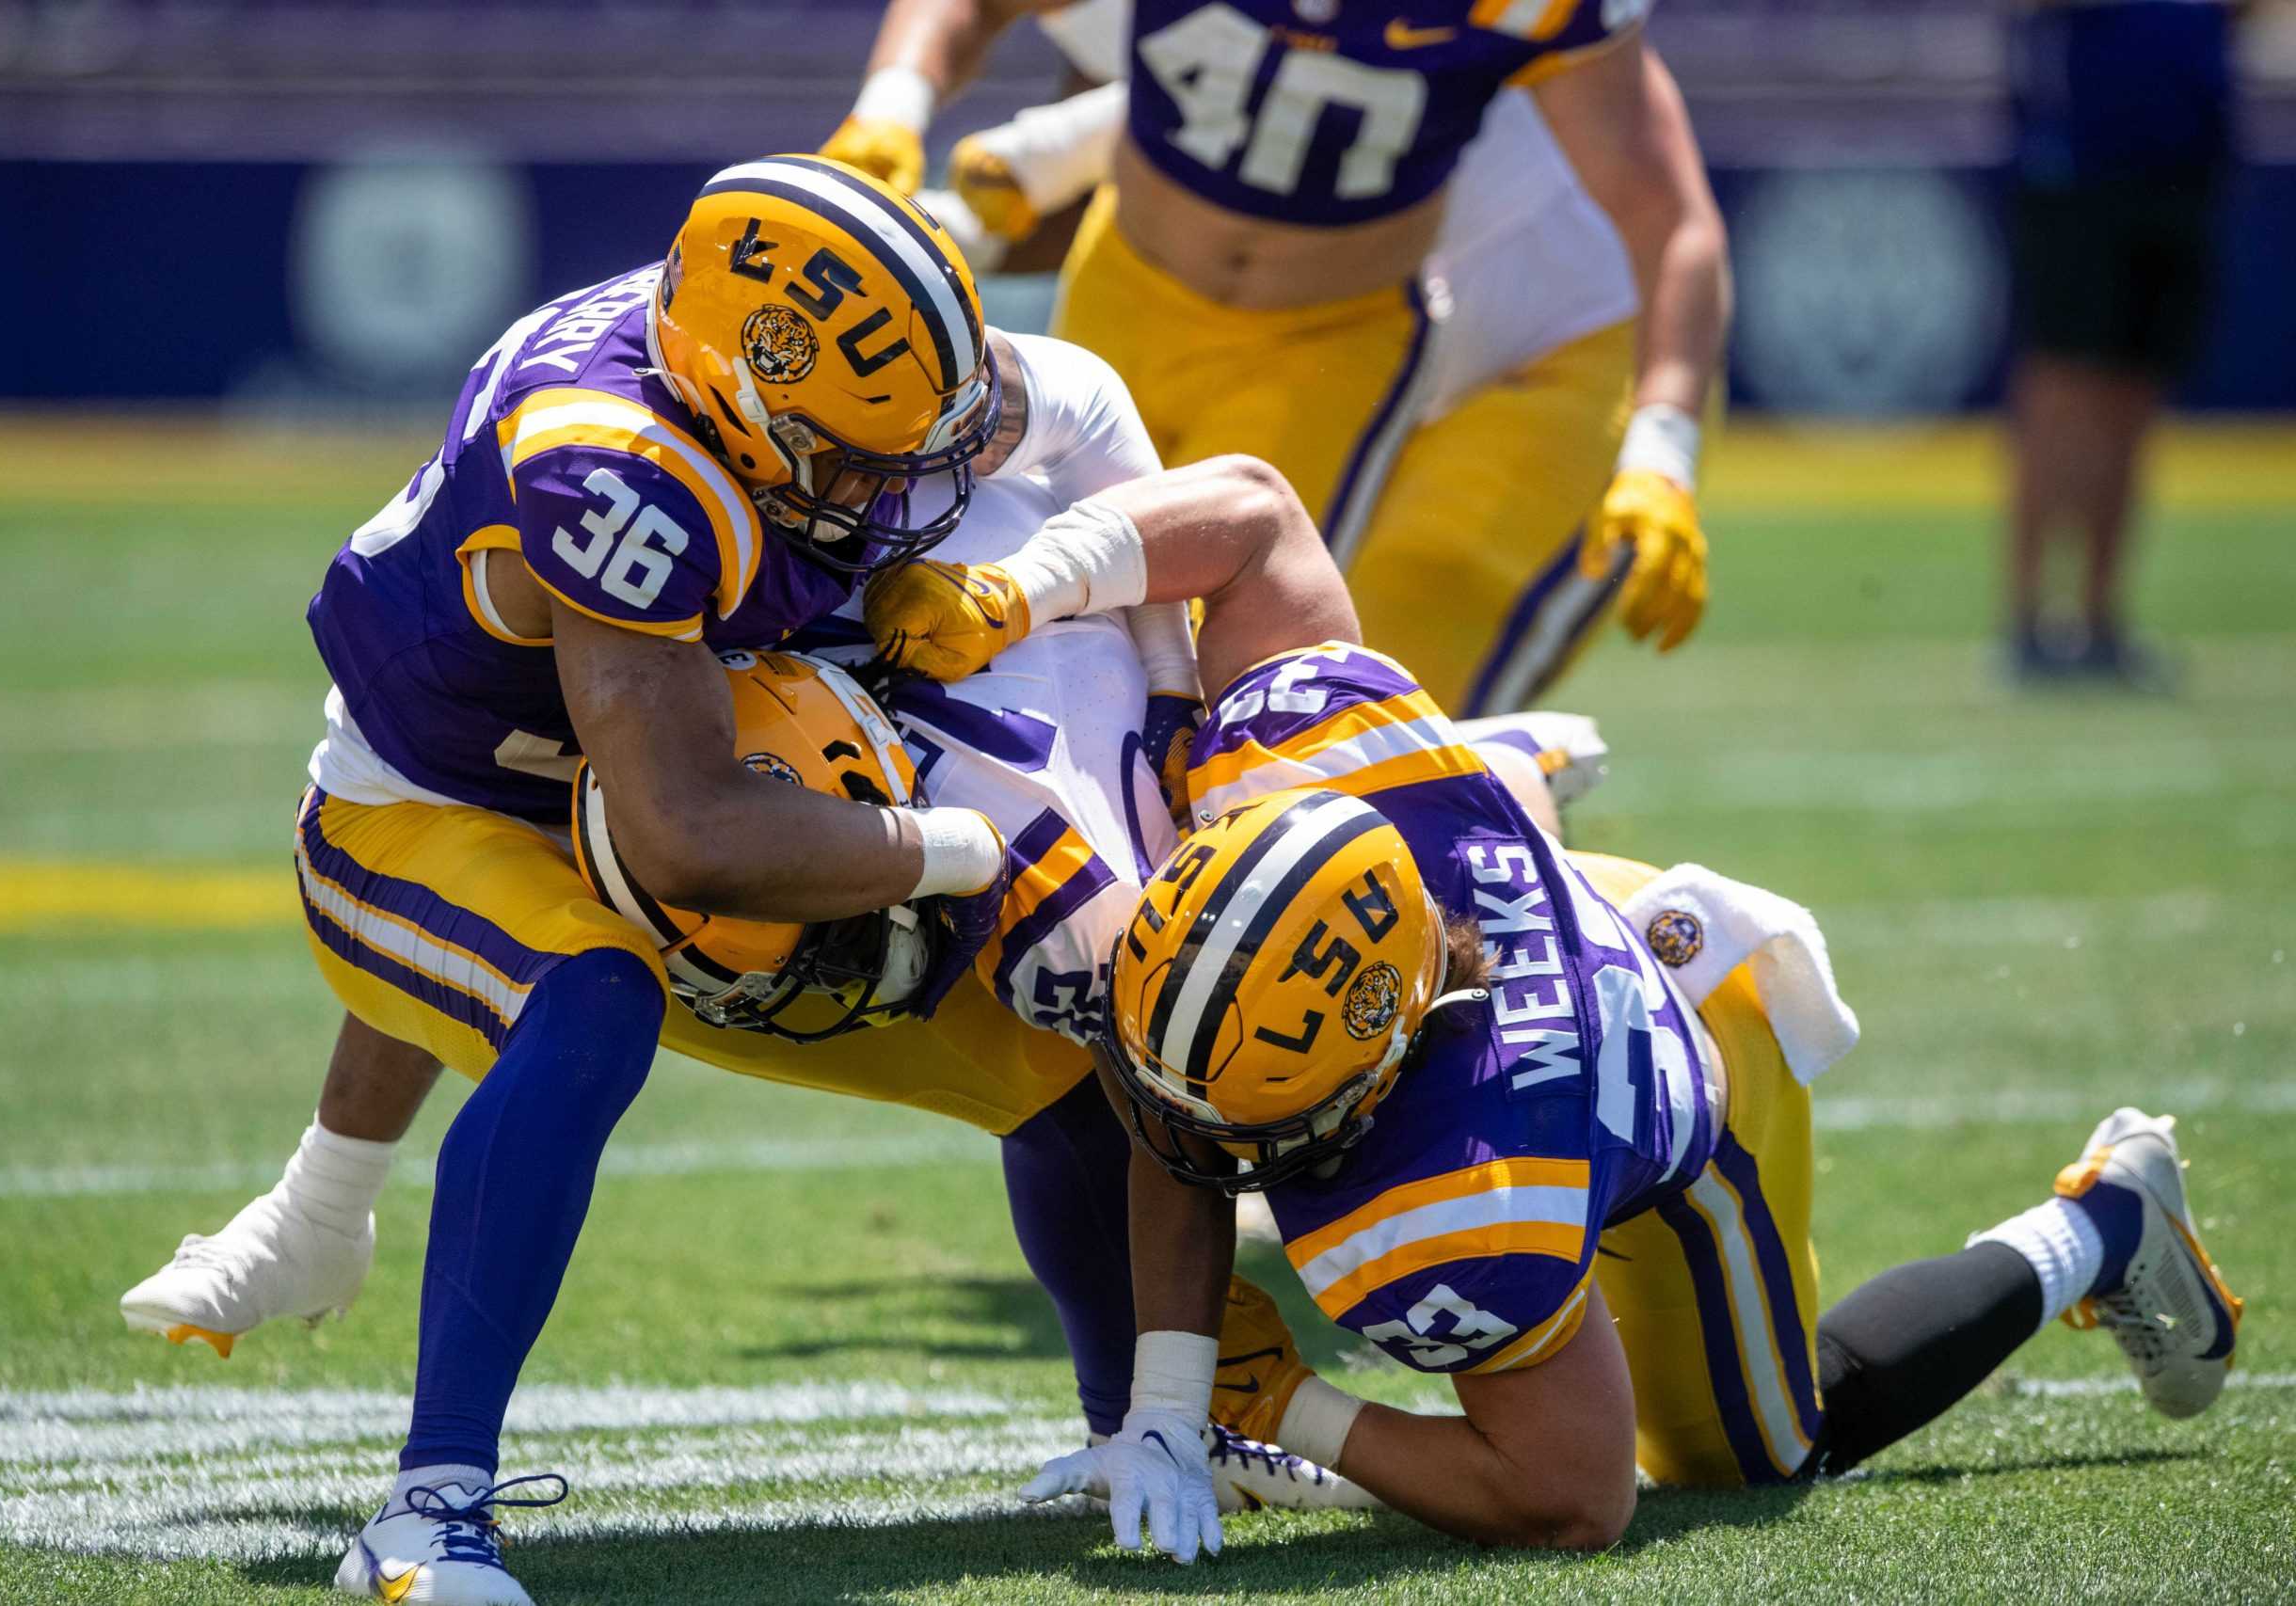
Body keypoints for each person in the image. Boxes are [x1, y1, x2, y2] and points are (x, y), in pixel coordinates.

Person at [863, 568, 2247, 1562]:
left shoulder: (1465, 1187)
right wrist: (1048, 580)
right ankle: (1508, 769)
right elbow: (1248, 509)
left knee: (1747, 1456)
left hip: (1677, 1055)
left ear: (1380, 1076)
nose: (1194, 1136)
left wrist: (1286, 1405)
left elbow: (1575, 1496)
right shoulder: (1290, 754)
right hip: (1519, 912)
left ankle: (2108, 1217)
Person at [118, 152, 1060, 1606]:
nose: (898, 493)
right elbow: (684, 833)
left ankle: (1156, 1411)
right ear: (746, 401)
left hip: (590, 761)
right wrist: (974, 852)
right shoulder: (624, 470)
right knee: (586, 998)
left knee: (1052, 1045)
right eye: (862, 460)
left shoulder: (764, 359)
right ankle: (427, 1513)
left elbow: (1037, 413)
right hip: (421, 804)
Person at [821, 0, 1730, 714]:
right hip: (1130, 282)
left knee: (1227, 667)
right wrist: (893, 107)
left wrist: (1661, 453)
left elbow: (1667, 212)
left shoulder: (1515, 20)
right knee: (968, 553)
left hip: (1331, 343)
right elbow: (1228, 85)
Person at [2005, 0, 2237, 687]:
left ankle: (2101, 615)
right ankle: (2028, 616)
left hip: (2184, 165)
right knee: (2062, 392)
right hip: (2080, 166)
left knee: (2136, 396)